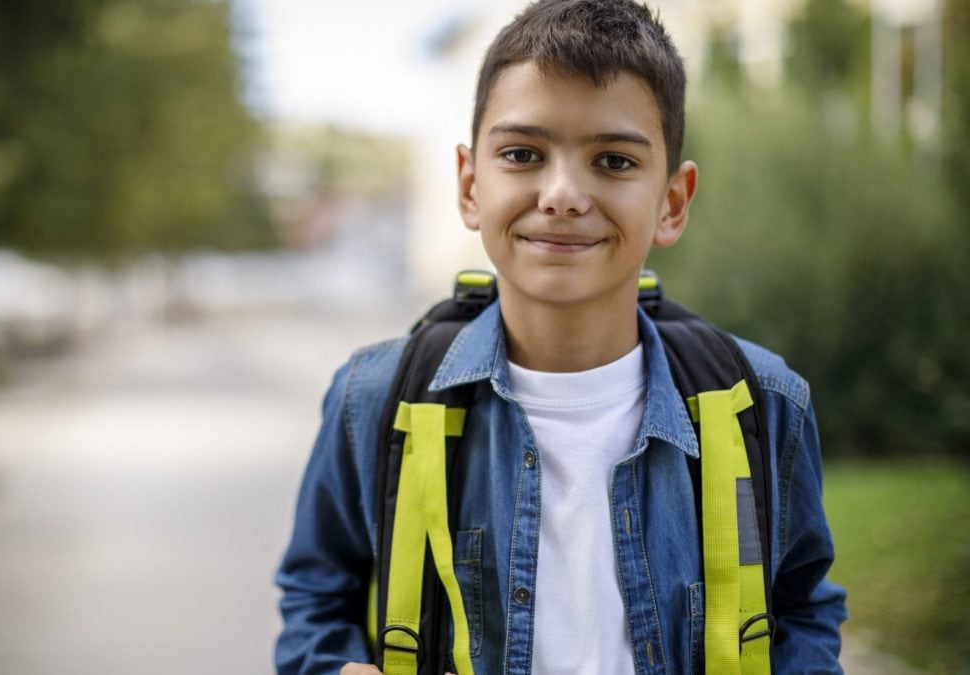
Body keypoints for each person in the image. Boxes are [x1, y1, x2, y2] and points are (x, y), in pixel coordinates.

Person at [275, 0, 847, 672]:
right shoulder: (371, 398)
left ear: (673, 202)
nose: (563, 193)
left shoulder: (764, 401)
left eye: (613, 160)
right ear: (469, 185)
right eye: (522, 154)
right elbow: (316, 595)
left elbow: (804, 604)